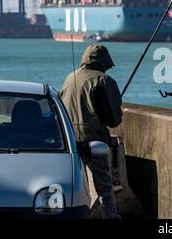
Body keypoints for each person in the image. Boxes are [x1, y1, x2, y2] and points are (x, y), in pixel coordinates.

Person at [60, 43, 123, 219]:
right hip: (94, 141)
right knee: (104, 185)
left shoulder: (69, 78)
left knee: (74, 183)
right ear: (103, 62)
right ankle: (110, 216)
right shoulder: (103, 80)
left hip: (69, 139)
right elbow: (113, 119)